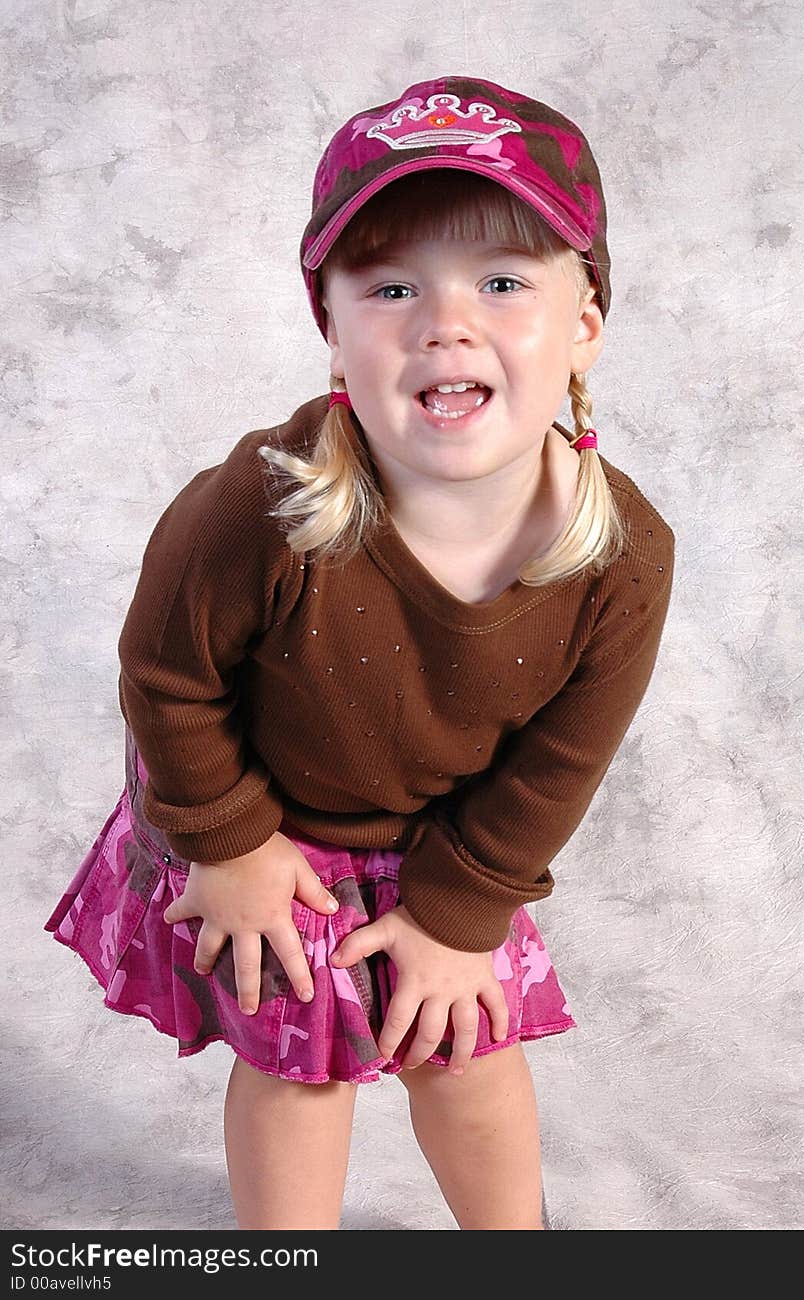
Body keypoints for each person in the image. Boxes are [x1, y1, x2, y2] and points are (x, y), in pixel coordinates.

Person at [46, 75, 675, 1231]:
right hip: (254, 809)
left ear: (584, 320)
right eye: (391, 287)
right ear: (332, 329)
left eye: (501, 281)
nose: (446, 321)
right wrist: (227, 847)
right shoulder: (263, 504)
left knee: (465, 1043)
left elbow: (555, 766)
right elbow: (165, 677)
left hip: (439, 836)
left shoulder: (621, 560)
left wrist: (455, 917)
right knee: (303, 1061)